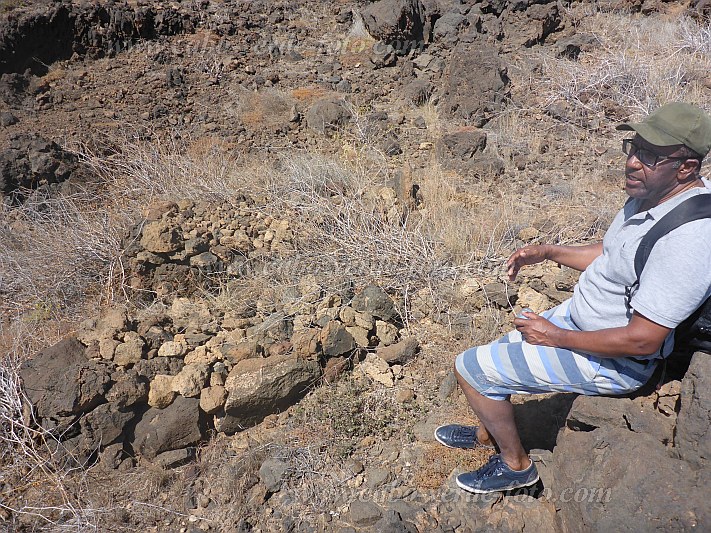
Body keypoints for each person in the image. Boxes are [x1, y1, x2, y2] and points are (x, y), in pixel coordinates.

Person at [435, 102, 711, 494]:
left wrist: (554, 336)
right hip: (582, 320)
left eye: (650, 155)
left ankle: (515, 466)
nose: (632, 162)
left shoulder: (690, 239)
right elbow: (616, 253)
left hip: (619, 361)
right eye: (633, 147)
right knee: (495, 353)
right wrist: (549, 252)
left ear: (686, 167)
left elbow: (642, 338)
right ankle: (489, 432)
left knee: (470, 369)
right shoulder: (654, 194)